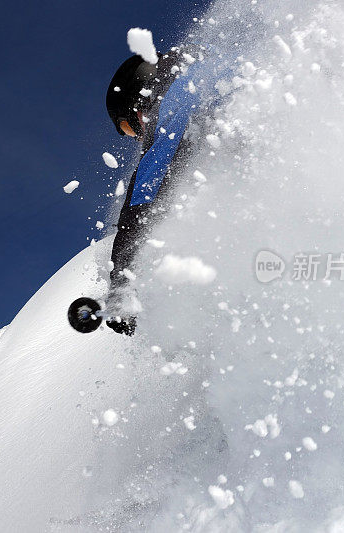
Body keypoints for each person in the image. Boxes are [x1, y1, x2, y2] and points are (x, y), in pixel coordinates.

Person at [103, 48, 205, 335]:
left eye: (129, 126)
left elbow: (145, 195)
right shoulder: (209, 73)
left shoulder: (174, 98)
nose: (138, 137)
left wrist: (120, 287)